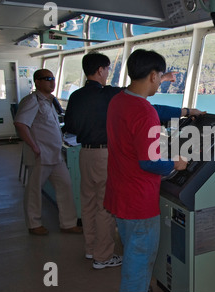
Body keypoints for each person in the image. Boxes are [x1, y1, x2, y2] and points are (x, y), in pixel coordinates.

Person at [63, 52, 180, 269]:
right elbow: (149, 161)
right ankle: (102, 255)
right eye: (106, 69)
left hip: (86, 154)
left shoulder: (103, 98)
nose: (107, 73)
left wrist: (161, 78)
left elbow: (69, 125)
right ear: (100, 70)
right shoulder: (124, 101)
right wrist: (175, 164)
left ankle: (91, 250)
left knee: (88, 205)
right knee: (106, 214)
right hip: (125, 183)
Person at [104, 49, 205, 292]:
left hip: (119, 194)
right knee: (138, 263)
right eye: (160, 76)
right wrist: (175, 164)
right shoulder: (143, 111)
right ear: (152, 75)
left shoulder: (119, 100)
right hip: (139, 201)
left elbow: (154, 110)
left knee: (131, 253)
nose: (161, 81)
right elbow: (149, 163)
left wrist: (186, 112)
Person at [14, 69, 82, 236]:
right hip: (41, 155)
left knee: (65, 186)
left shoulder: (49, 101)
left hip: (55, 154)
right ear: (37, 82)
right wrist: (34, 147)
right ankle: (34, 223)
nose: (52, 82)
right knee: (34, 190)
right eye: (47, 79)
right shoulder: (32, 101)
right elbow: (20, 124)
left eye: (53, 79)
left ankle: (68, 223)